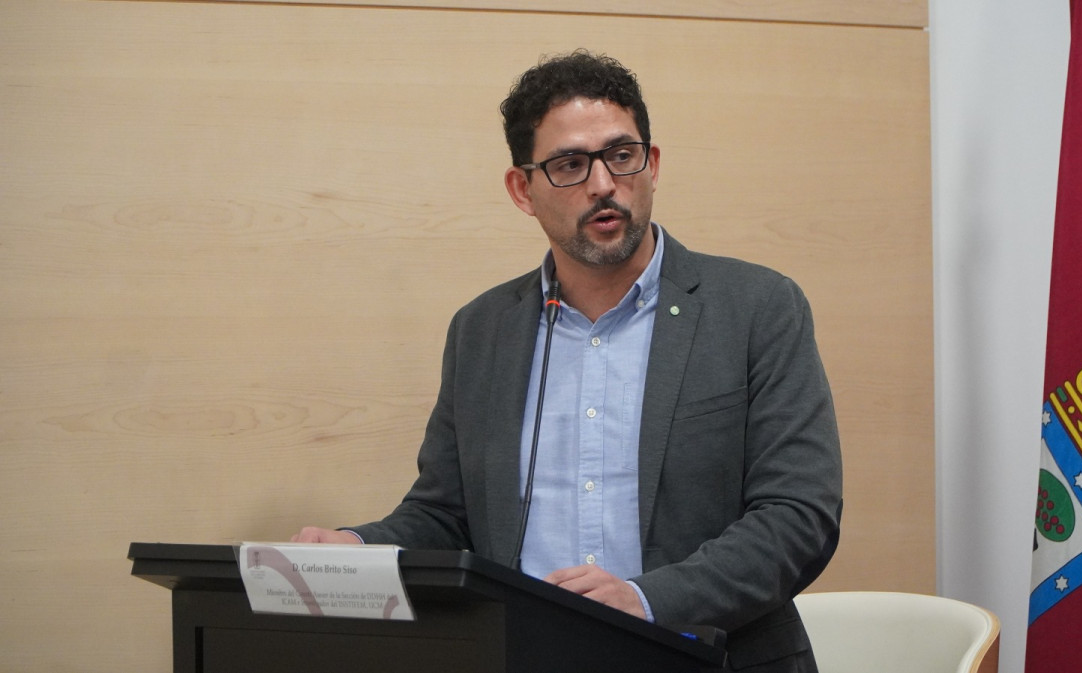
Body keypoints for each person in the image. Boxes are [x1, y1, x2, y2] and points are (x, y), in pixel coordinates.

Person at [292, 50, 842, 672]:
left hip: (712, 657)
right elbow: (448, 515)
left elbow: (798, 516)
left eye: (622, 155)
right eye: (570, 165)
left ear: (653, 165)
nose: (603, 184)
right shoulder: (482, 331)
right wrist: (357, 546)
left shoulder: (756, 308)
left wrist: (644, 600)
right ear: (522, 190)